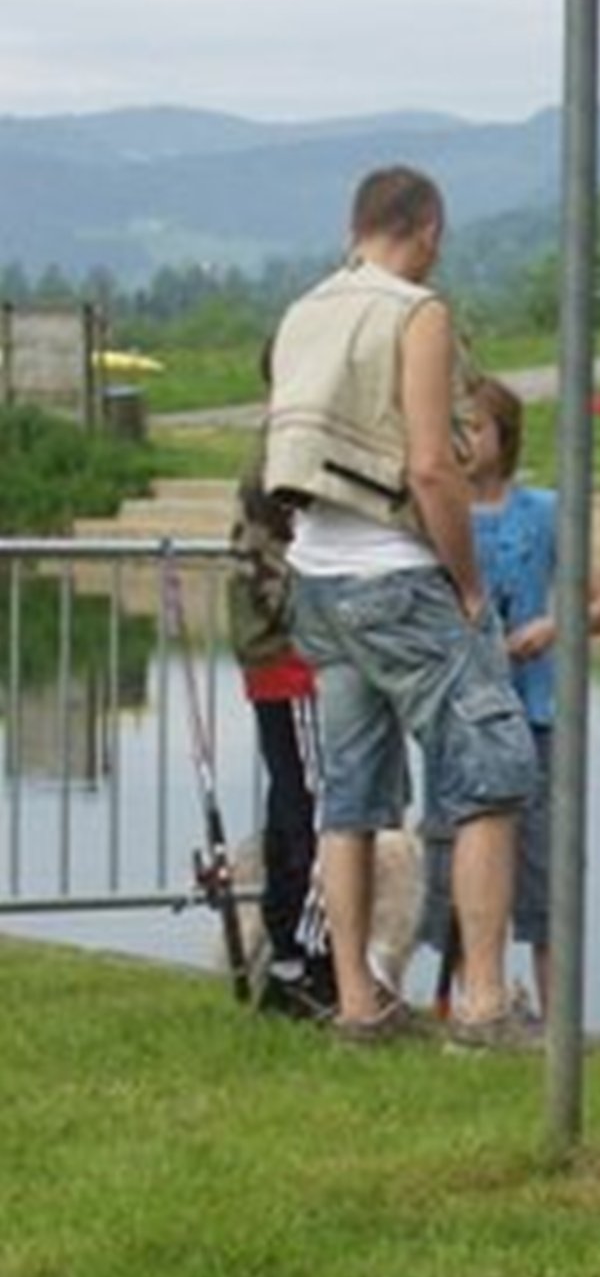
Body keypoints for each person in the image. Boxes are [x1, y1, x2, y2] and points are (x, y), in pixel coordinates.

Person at [263, 164, 539, 1048]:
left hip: (316, 573)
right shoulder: (415, 311)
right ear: (427, 230)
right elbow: (430, 464)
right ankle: (485, 1004)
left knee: (351, 796)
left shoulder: (305, 310)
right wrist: (468, 582)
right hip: (397, 572)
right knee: (492, 772)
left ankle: (358, 1001)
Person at [417, 376, 600, 1021]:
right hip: (456, 718)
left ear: (504, 437)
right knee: (456, 861)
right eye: (452, 428)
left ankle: (556, 1017)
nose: (462, 441)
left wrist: (552, 628)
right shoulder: (433, 510)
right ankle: (476, 1000)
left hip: (536, 718)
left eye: (474, 428)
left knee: (545, 875)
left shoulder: (543, 513)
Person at [225, 433, 334, 1020]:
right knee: (317, 804)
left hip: (281, 657)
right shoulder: (290, 451)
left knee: (293, 801)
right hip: (294, 660)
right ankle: (310, 958)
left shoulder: (279, 445)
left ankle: (292, 958)